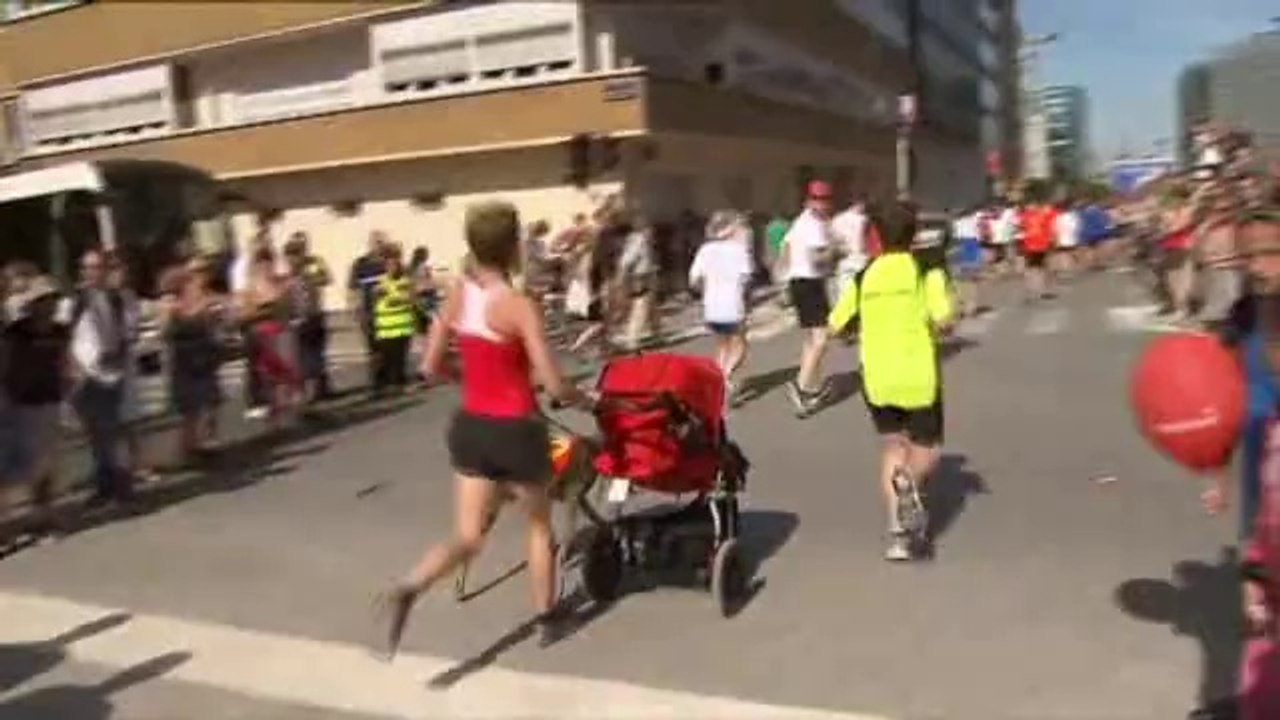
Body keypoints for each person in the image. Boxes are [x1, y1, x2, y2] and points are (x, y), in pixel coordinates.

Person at [378, 200, 588, 657]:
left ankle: (411, 585)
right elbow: (551, 381)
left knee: (469, 536)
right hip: (517, 428)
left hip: (471, 427)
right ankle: (547, 617)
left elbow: (430, 365)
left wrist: (468, 378)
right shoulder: (518, 306)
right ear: (513, 248)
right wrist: (582, 398)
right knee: (538, 525)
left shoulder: (458, 294)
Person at [828, 201, 954, 562]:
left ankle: (898, 536)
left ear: (876, 236)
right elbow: (944, 319)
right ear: (914, 233)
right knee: (926, 450)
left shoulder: (865, 275)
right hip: (917, 375)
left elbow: (836, 325)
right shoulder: (924, 269)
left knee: (892, 450)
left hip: (877, 377)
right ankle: (909, 485)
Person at [1, 275, 69, 542]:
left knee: (46, 464)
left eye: (52, 299)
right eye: (43, 300)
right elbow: (5, 366)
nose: (48, 305)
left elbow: (63, 363)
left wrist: (66, 394)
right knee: (16, 465)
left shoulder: (60, 330)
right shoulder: (17, 332)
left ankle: (42, 517)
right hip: (21, 404)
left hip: (49, 401)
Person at [70, 249, 134, 508]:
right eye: (88, 267)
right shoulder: (77, 301)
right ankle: (104, 485)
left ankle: (122, 486)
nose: (92, 272)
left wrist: (118, 359)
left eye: (97, 267)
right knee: (96, 435)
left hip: (111, 373)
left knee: (113, 431)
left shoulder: (117, 299)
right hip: (86, 375)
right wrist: (75, 368)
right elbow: (67, 337)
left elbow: (126, 333)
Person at [779, 180, 839, 416]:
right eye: (818, 199)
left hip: (800, 281)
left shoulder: (801, 220)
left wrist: (784, 278)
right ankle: (801, 387)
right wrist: (836, 248)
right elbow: (818, 259)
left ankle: (806, 382)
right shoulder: (814, 225)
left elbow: (784, 248)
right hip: (809, 282)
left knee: (813, 338)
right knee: (822, 338)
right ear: (809, 200)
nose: (822, 204)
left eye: (824, 199)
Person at [161, 260, 224, 462]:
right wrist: (194, 311)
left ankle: (206, 442)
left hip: (203, 356)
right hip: (183, 360)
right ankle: (188, 450)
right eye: (193, 275)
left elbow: (214, 323)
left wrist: (212, 315)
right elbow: (165, 332)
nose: (198, 278)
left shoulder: (206, 299)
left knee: (208, 402)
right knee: (189, 410)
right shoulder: (169, 304)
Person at [690, 211, 754, 405]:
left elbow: (694, 280)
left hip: (711, 305)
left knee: (722, 344)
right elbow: (746, 278)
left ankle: (719, 380)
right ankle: (724, 377)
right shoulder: (739, 250)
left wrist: (706, 292)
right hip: (733, 304)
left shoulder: (705, 250)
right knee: (740, 345)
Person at [241, 249, 301, 424]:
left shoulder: (281, 284)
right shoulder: (250, 288)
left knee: (289, 372)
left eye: (269, 262)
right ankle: (275, 417)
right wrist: (264, 309)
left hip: (282, 331)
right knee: (269, 376)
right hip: (262, 333)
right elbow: (245, 313)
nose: (266, 267)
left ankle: (292, 411)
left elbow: (291, 307)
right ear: (256, 266)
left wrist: (286, 305)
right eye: (262, 263)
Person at [371, 243, 415, 396]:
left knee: (400, 359)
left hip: (402, 327)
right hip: (385, 328)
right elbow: (374, 298)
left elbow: (410, 297)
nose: (392, 267)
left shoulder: (405, 280)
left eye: (395, 263)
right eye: (389, 264)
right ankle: (385, 386)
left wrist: (396, 298)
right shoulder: (380, 282)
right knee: (386, 359)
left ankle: (398, 384)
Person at [348, 231, 387, 390]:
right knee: (373, 348)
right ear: (370, 244)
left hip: (388, 312)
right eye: (375, 242)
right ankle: (376, 381)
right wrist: (354, 309)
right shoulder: (361, 263)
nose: (378, 245)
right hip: (369, 312)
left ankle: (388, 378)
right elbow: (353, 288)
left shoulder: (389, 263)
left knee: (387, 347)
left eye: (380, 242)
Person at [832, 194, 870, 291]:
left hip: (845, 264)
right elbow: (865, 245)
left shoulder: (837, 220)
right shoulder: (865, 220)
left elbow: (834, 243)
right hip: (862, 262)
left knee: (845, 297)